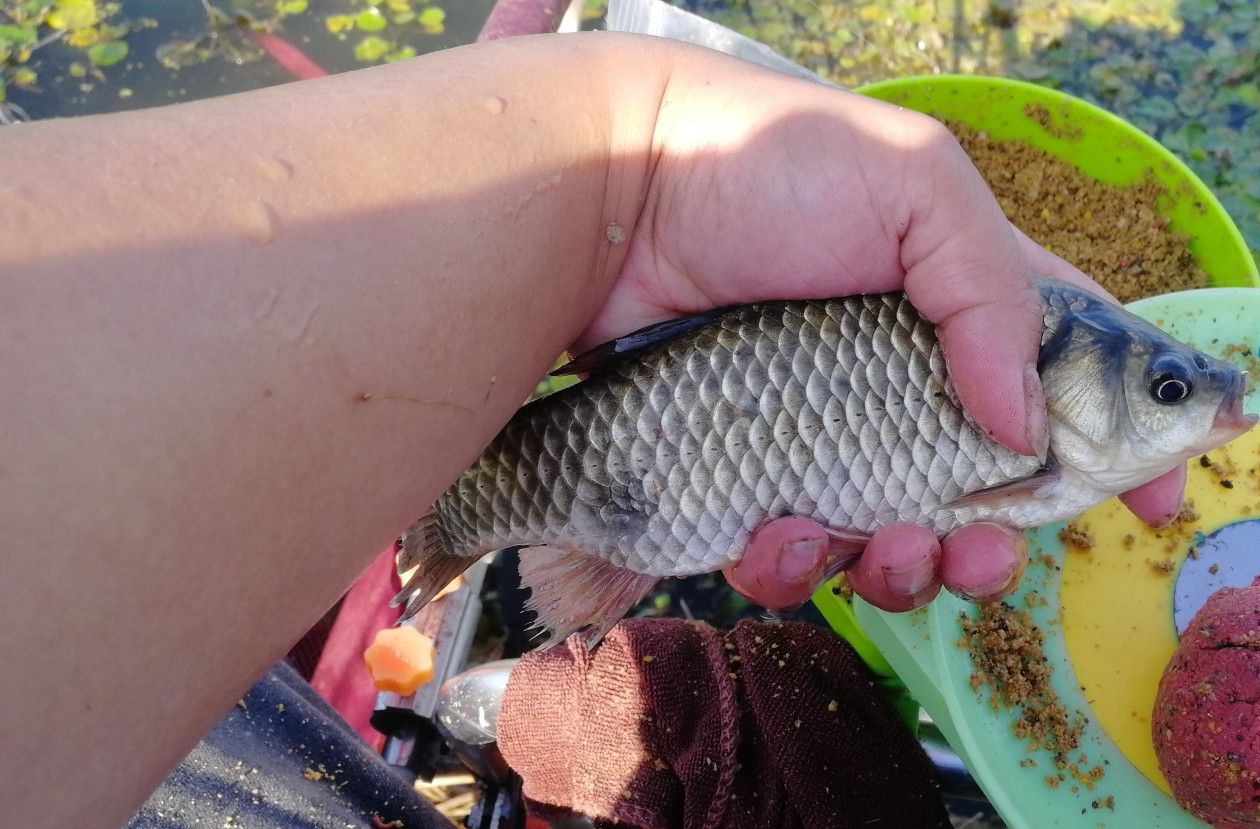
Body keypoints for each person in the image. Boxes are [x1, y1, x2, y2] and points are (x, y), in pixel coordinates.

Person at [0, 32, 1188, 827]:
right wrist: (631, 184)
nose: (1183, 414)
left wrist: (635, 185)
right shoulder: (1022, 420)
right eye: (1166, 394)